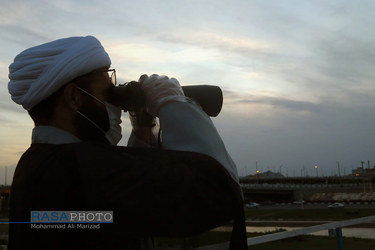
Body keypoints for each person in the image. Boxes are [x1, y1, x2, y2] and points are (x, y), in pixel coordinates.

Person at [7, 36, 246, 249]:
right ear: (74, 97)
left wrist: (142, 130)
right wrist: (173, 102)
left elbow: (123, 204)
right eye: (107, 92)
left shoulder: (39, 162)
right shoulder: (82, 167)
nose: (114, 105)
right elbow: (220, 187)